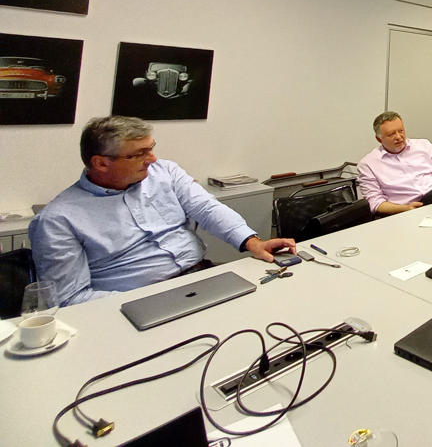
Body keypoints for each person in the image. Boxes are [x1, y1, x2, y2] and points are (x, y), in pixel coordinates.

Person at [29, 116, 296, 307]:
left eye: (151, 148)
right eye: (139, 154)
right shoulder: (57, 220)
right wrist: (146, 302)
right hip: (135, 301)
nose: (152, 159)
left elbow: (207, 208)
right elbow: (70, 298)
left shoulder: (164, 172)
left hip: (201, 276)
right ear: (100, 163)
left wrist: (252, 242)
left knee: (273, 306)